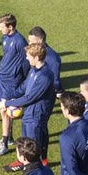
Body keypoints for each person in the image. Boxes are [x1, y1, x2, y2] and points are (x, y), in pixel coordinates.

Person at [0, 44, 55, 164]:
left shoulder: (45, 76)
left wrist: (9, 103)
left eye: (28, 56)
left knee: (33, 145)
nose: (26, 58)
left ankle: (36, 168)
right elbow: (23, 87)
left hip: (37, 114)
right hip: (29, 113)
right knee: (26, 141)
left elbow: (31, 97)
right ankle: (23, 163)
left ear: (36, 58)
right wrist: (7, 97)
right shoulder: (33, 70)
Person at [0, 15, 29, 155]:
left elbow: (26, 63)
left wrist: (22, 80)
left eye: (2, 27)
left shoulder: (20, 41)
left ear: (10, 27)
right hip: (2, 78)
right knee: (1, 109)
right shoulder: (4, 38)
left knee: (4, 111)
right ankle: (10, 137)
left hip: (12, 81)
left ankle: (5, 143)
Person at [27, 26, 62, 160]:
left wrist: (58, 92)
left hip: (44, 99)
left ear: (40, 41)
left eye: (31, 41)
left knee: (38, 128)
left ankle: (40, 160)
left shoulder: (52, 58)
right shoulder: (37, 53)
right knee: (38, 128)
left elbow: (55, 81)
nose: (29, 44)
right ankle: (35, 158)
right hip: (36, 96)